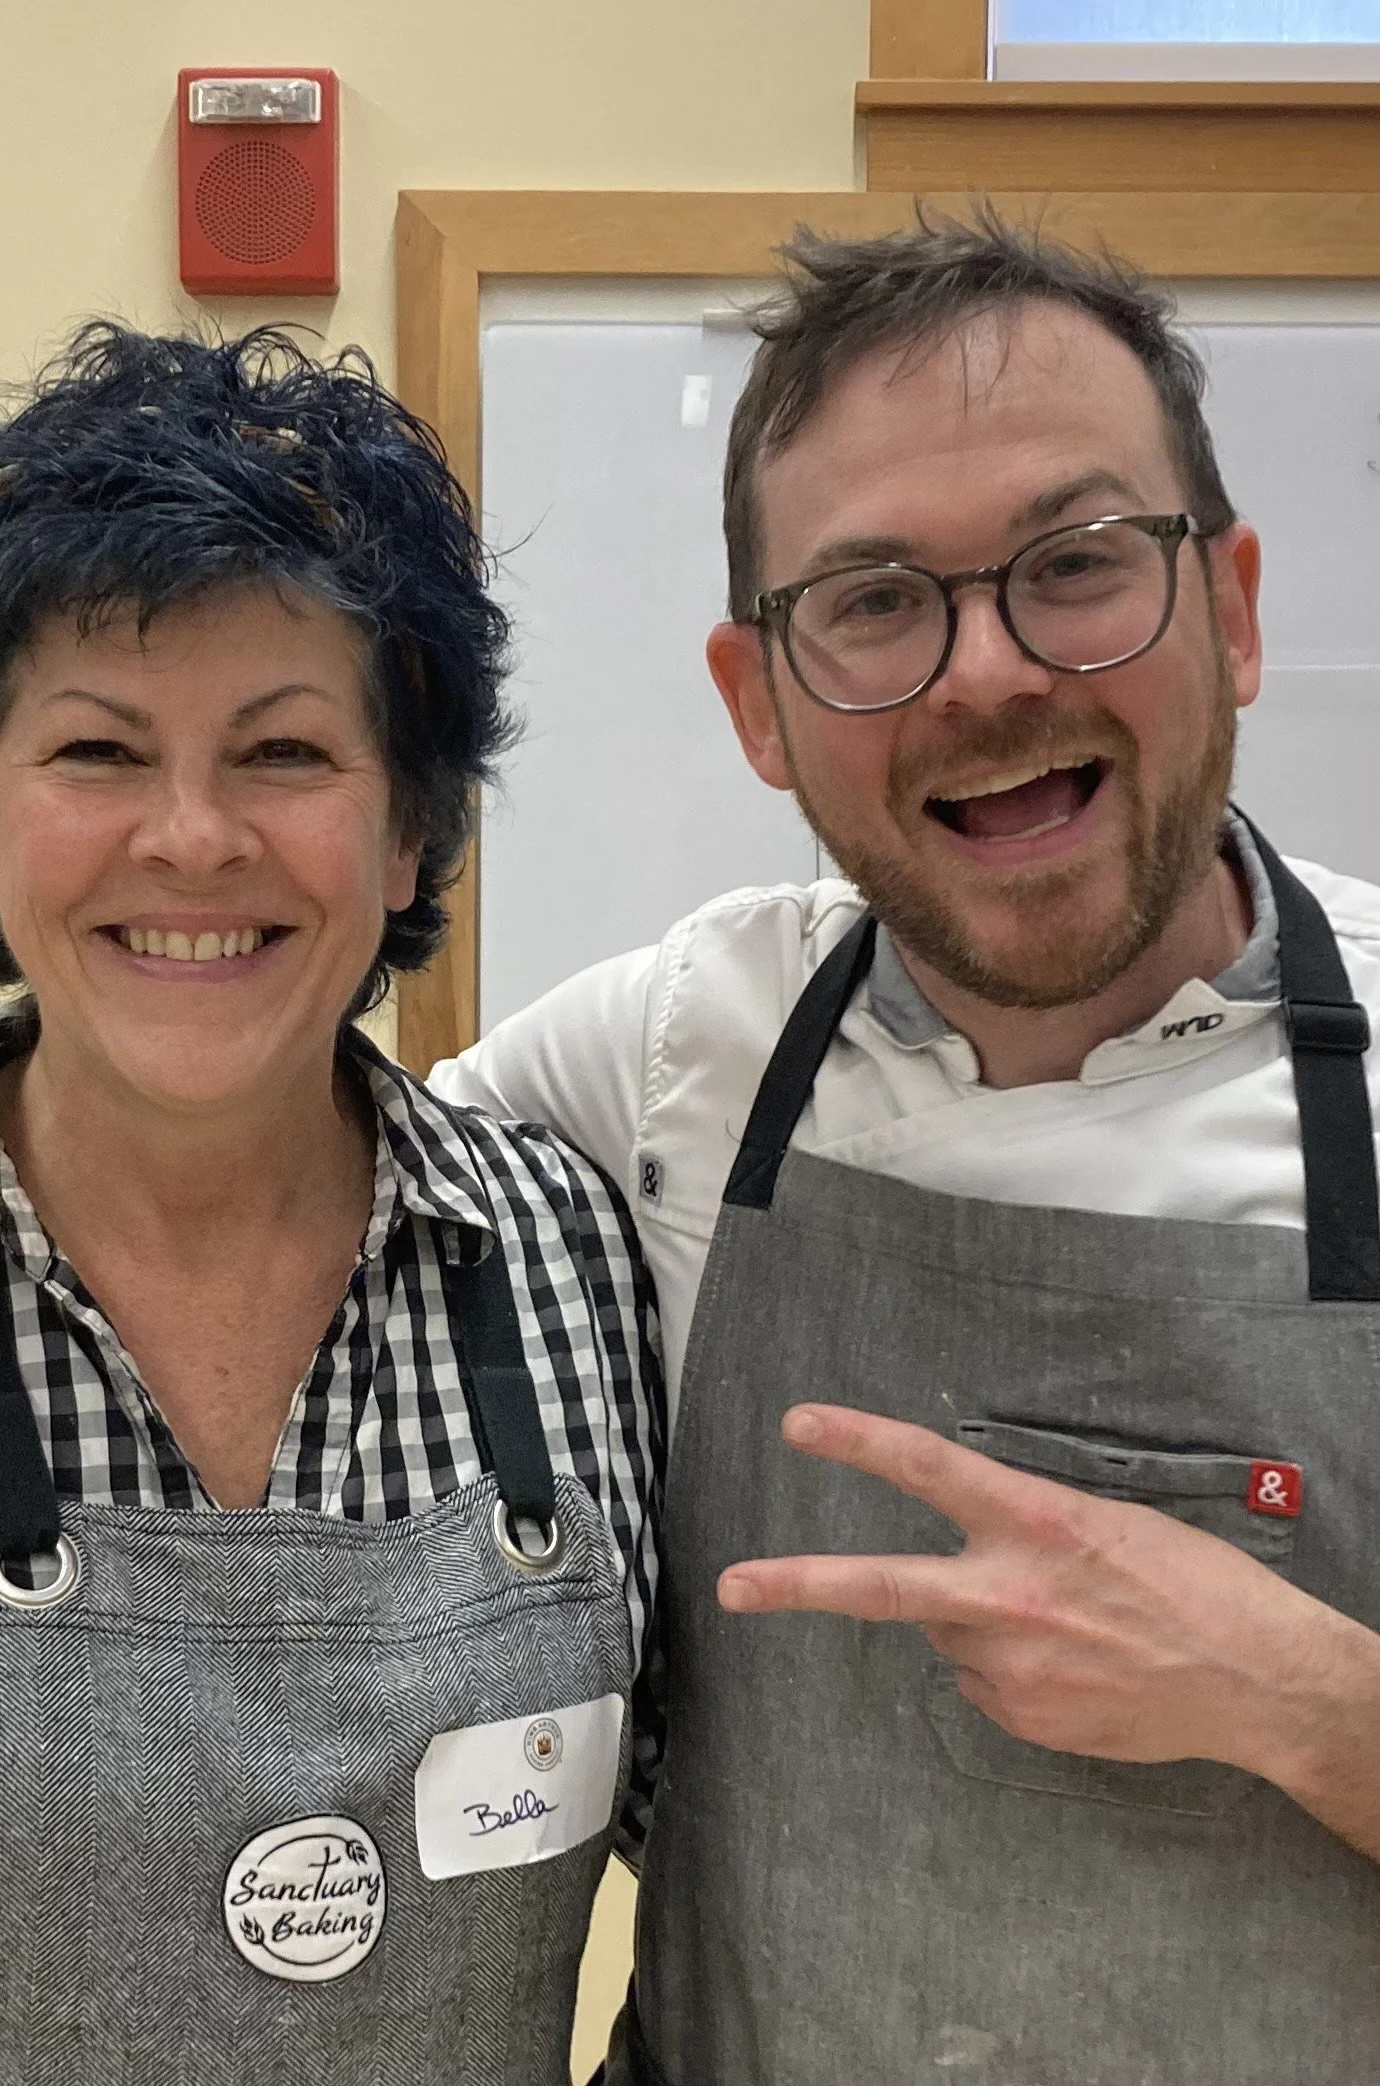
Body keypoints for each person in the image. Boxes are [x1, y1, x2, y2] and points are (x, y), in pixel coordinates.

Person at [426, 220, 1380, 2081]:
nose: (989, 670)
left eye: (1078, 563)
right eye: (873, 600)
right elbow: (276, 1178)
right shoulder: (683, 1040)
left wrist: (1312, 1697)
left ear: (1238, 606)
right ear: (756, 700)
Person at [0, 322, 661, 2084]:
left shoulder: (582, 1262)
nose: (192, 838)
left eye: (284, 753)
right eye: (98, 754)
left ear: (411, 830)